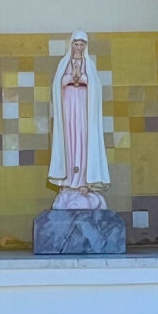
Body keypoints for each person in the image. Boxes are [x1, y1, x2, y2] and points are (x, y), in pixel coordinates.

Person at [48, 31, 110, 209]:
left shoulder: (89, 64)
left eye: (82, 44)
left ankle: (83, 181)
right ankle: (68, 182)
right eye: (76, 43)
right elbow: (58, 84)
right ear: (71, 44)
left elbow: (95, 87)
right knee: (69, 142)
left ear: (86, 46)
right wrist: (70, 78)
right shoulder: (64, 63)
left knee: (83, 142)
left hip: (83, 109)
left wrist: (82, 78)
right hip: (68, 109)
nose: (79, 47)